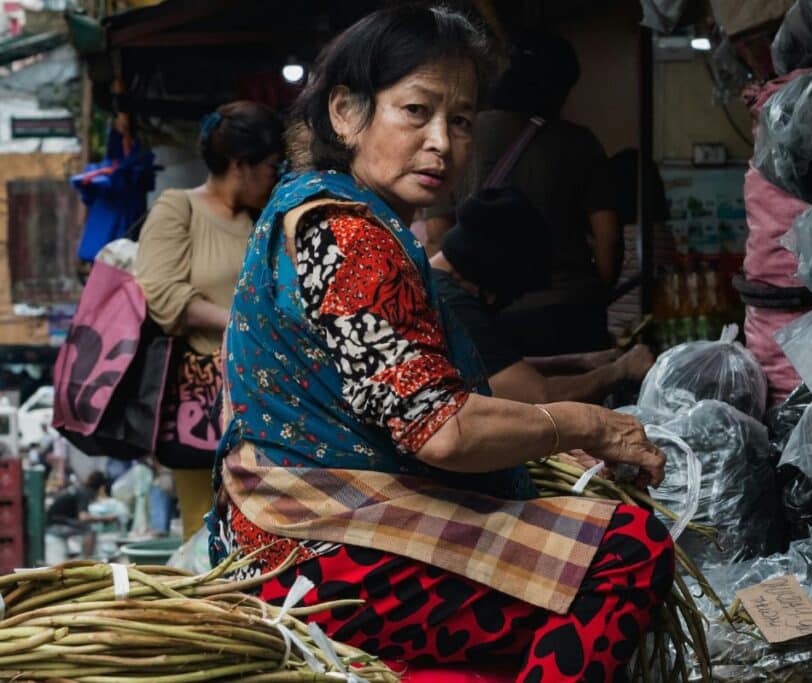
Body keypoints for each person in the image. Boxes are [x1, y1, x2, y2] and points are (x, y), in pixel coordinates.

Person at [209, 7, 671, 682]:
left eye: (460, 121)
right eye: (416, 112)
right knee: (625, 550)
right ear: (346, 112)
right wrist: (590, 425)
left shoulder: (307, 203)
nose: (442, 143)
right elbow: (441, 431)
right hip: (319, 550)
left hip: (281, 530)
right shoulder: (350, 236)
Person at [134, 100, 284, 541]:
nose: (275, 176)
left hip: (264, 397)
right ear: (241, 164)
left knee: (268, 527)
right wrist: (243, 322)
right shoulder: (178, 208)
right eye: (271, 166)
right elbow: (161, 294)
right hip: (202, 399)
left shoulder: (263, 220)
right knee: (206, 531)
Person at [424, 29, 623, 356]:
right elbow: (609, 239)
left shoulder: (460, 134)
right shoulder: (579, 143)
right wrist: (593, 294)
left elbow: (438, 235)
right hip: (573, 311)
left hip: (489, 316)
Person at [431, 186, 654, 404]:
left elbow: (497, 367)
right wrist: (622, 370)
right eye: (501, 296)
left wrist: (579, 362)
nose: (493, 303)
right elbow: (541, 396)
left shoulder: (431, 281)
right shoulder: (450, 302)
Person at [45, 471, 115, 557]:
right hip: (54, 526)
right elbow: (83, 517)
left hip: (54, 521)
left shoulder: (80, 488)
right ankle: (87, 559)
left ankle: (80, 555)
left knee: (85, 527)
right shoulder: (84, 493)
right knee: (90, 530)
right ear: (101, 487)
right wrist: (105, 519)